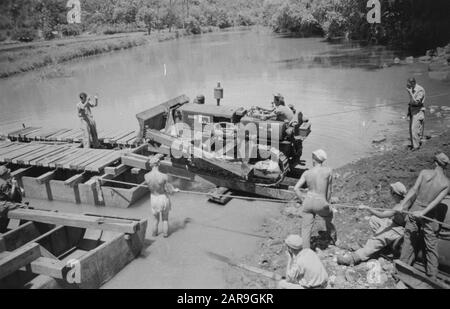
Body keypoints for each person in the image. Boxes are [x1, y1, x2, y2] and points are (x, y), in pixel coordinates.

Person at [399, 153, 450, 279]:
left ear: (435, 163)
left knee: (409, 238)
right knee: (431, 244)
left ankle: (402, 267)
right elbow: (436, 202)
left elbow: (414, 190)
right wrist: (424, 212)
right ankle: (432, 276)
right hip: (429, 213)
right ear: (445, 167)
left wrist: (403, 204)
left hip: (416, 207)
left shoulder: (424, 172)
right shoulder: (447, 183)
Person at [337, 182, 408, 266]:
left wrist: (368, 208)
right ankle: (385, 246)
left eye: (391, 191)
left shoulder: (399, 207)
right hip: (394, 223)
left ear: (395, 194)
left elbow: (382, 215)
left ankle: (354, 258)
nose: (389, 193)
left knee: (377, 239)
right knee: (373, 220)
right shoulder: (405, 200)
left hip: (397, 229)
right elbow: (387, 214)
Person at [294, 149, 337, 249]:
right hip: (321, 202)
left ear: (314, 159)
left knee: (306, 229)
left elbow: (296, 188)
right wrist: (327, 203)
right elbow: (329, 191)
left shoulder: (307, 173)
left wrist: (302, 200)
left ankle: (305, 252)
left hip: (308, 201)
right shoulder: (328, 171)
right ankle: (333, 238)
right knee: (329, 217)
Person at [145, 156, 179, 238]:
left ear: (151, 165)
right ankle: (165, 235)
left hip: (153, 198)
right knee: (165, 220)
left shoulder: (146, 176)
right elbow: (170, 190)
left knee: (155, 220)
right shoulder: (164, 176)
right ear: (159, 164)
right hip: (162, 198)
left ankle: (154, 235)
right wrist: (175, 190)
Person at [0, 166, 23, 233]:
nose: (10, 174)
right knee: (24, 208)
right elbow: (11, 196)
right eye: (8, 173)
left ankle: (4, 231)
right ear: (4, 175)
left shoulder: (3, 181)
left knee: (3, 224)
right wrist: (13, 184)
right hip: (3, 205)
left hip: (2, 204)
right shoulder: (3, 183)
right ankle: (20, 230)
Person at [406, 78, 426, 151]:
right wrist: (408, 112)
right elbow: (411, 102)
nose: (408, 85)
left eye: (409, 84)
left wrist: (410, 93)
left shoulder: (420, 89)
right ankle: (413, 144)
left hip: (418, 111)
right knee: (411, 129)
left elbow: (417, 102)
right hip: (412, 110)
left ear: (413, 83)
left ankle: (416, 147)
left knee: (415, 129)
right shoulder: (412, 88)